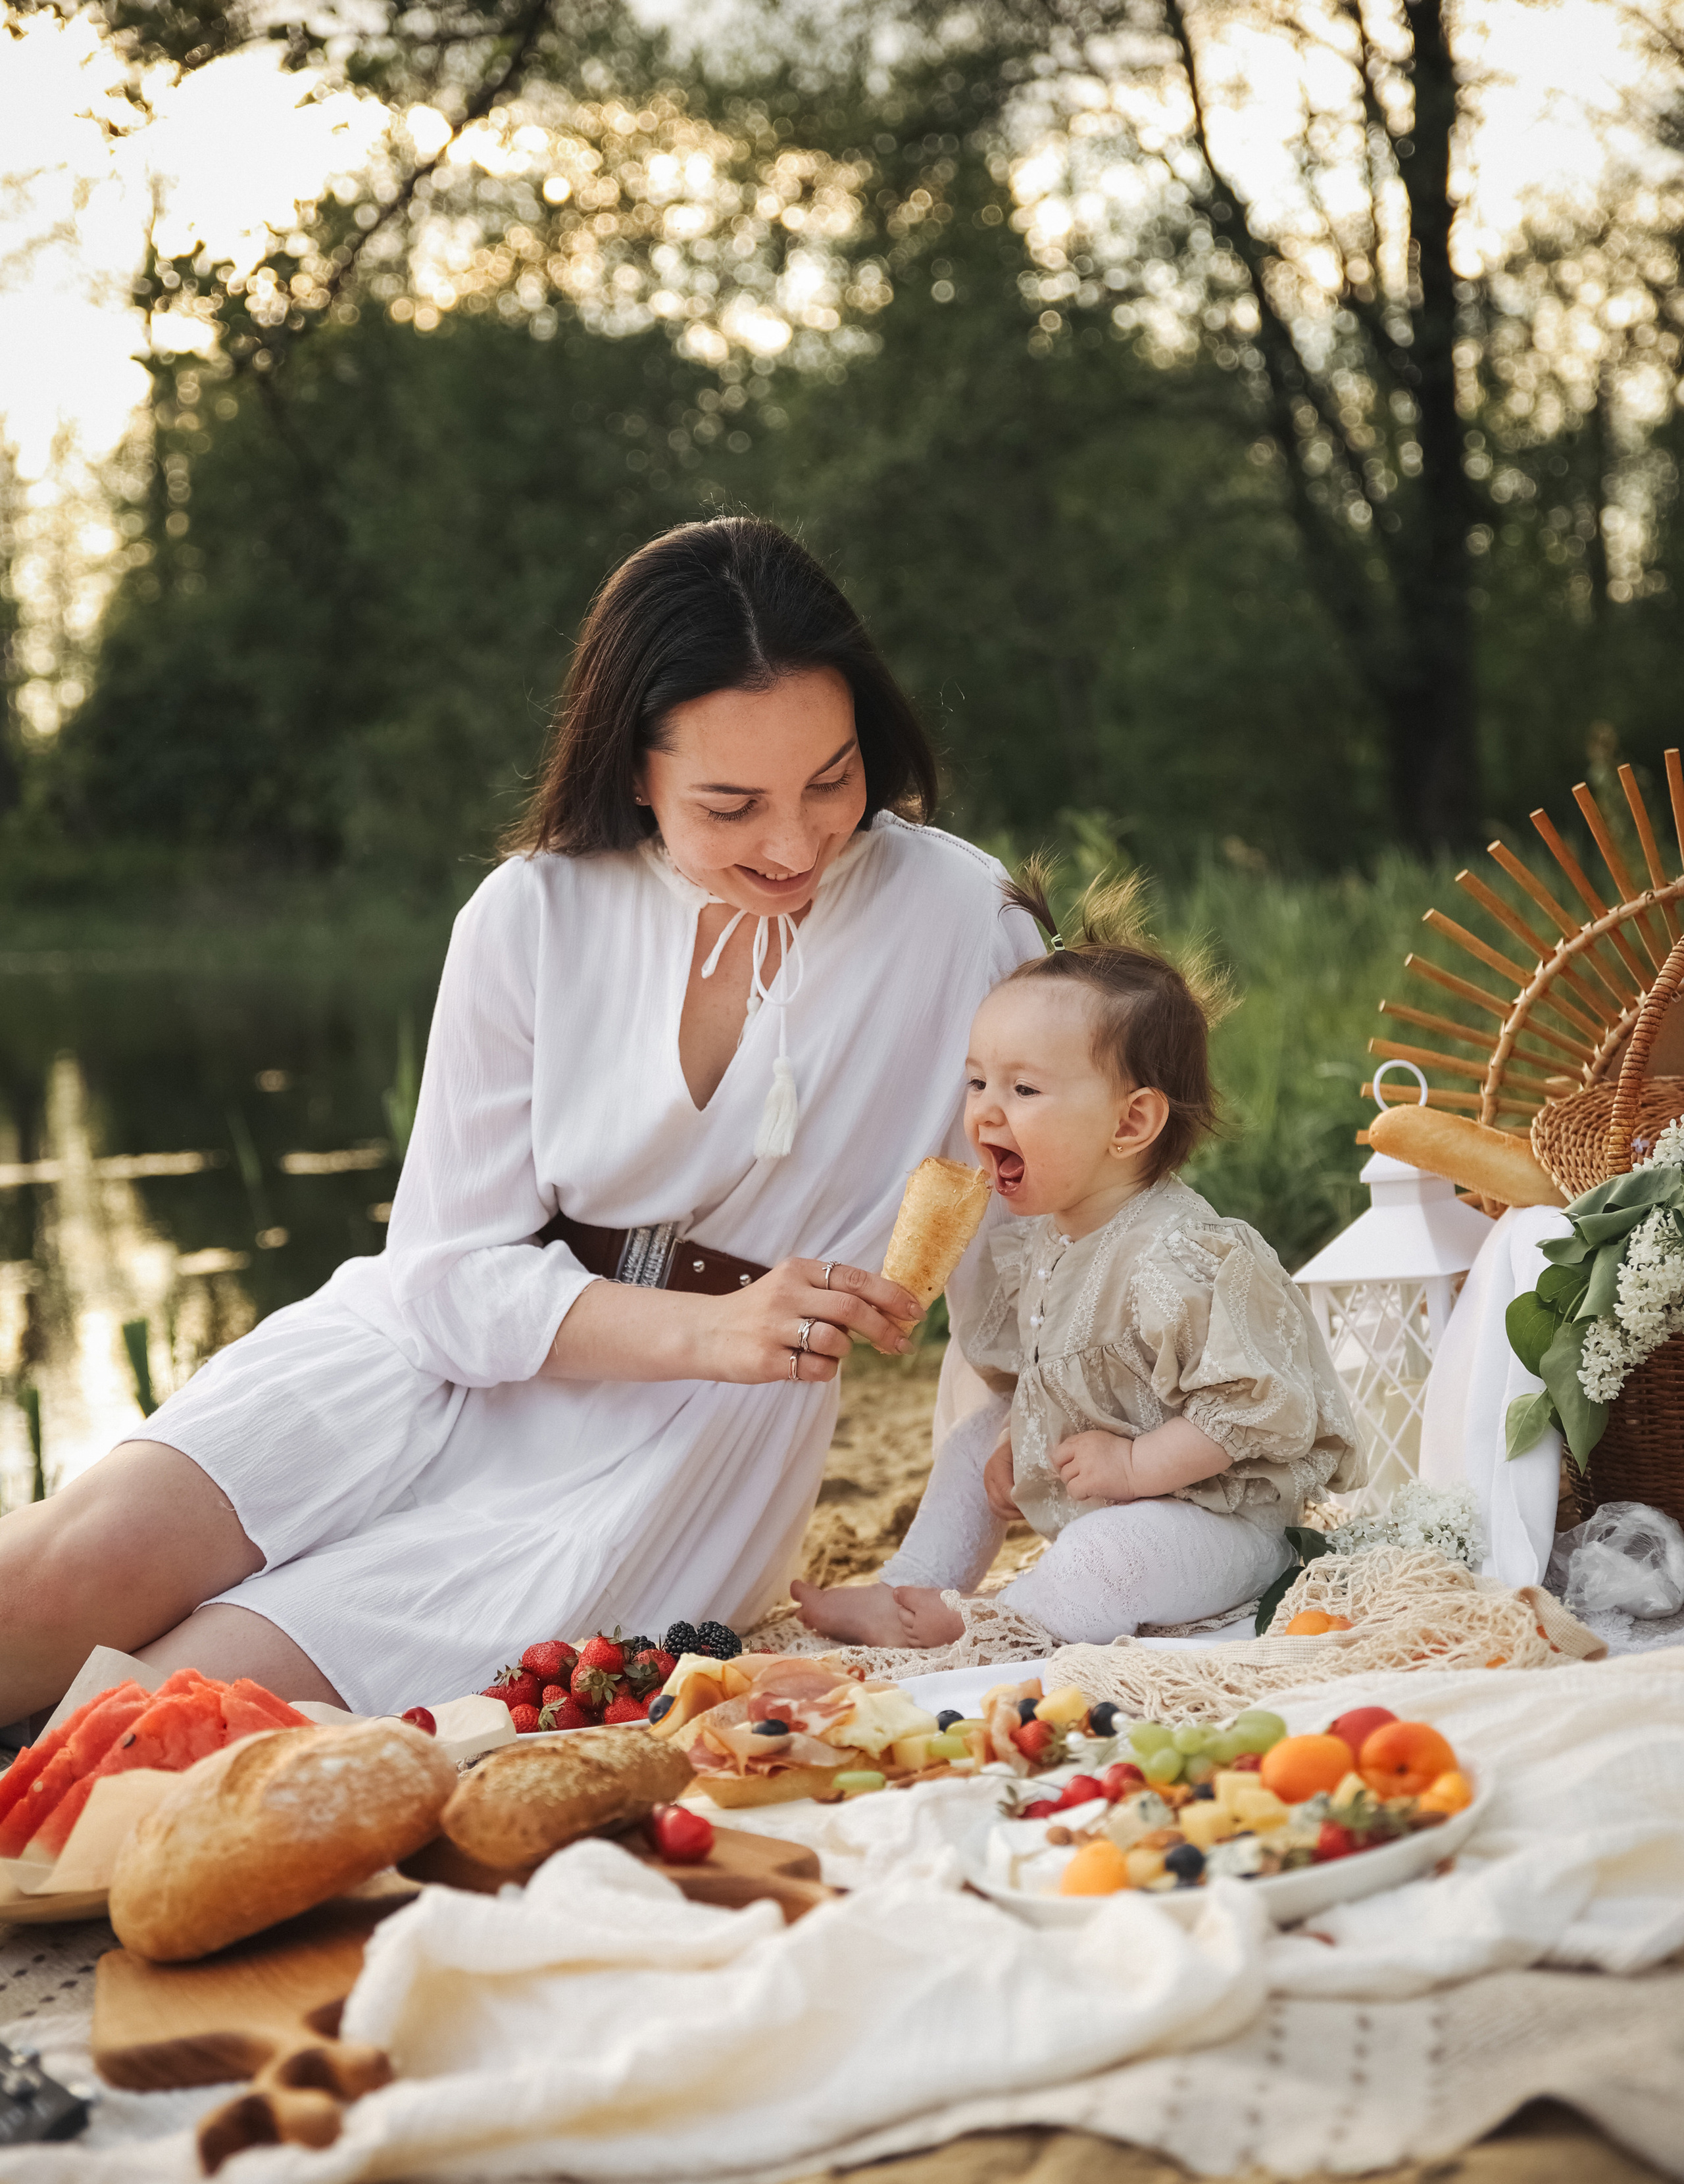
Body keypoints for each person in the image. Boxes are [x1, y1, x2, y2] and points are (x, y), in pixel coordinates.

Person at [0, 520, 1041, 1723]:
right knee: (50, 1583)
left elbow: (1016, 1302)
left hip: (674, 1455)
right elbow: (444, 1276)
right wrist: (709, 1328)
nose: (795, 841)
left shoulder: (962, 920)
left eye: (832, 779)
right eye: (730, 803)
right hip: (417, 1366)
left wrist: (929, 1580)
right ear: (633, 771)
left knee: (170, 1712)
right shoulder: (531, 913)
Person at [792, 865, 1362, 1649]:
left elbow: (1256, 1410)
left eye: (1023, 1090)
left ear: (1129, 1125)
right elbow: (1049, 1372)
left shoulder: (1177, 1259)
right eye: (977, 1081)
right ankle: (910, 1586)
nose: (986, 1110)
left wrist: (1133, 1469)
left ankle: (1000, 1626)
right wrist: (1014, 1437)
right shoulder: (1042, 1243)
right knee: (976, 1433)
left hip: (1218, 1524)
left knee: (1103, 1557)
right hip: (1121, 1485)